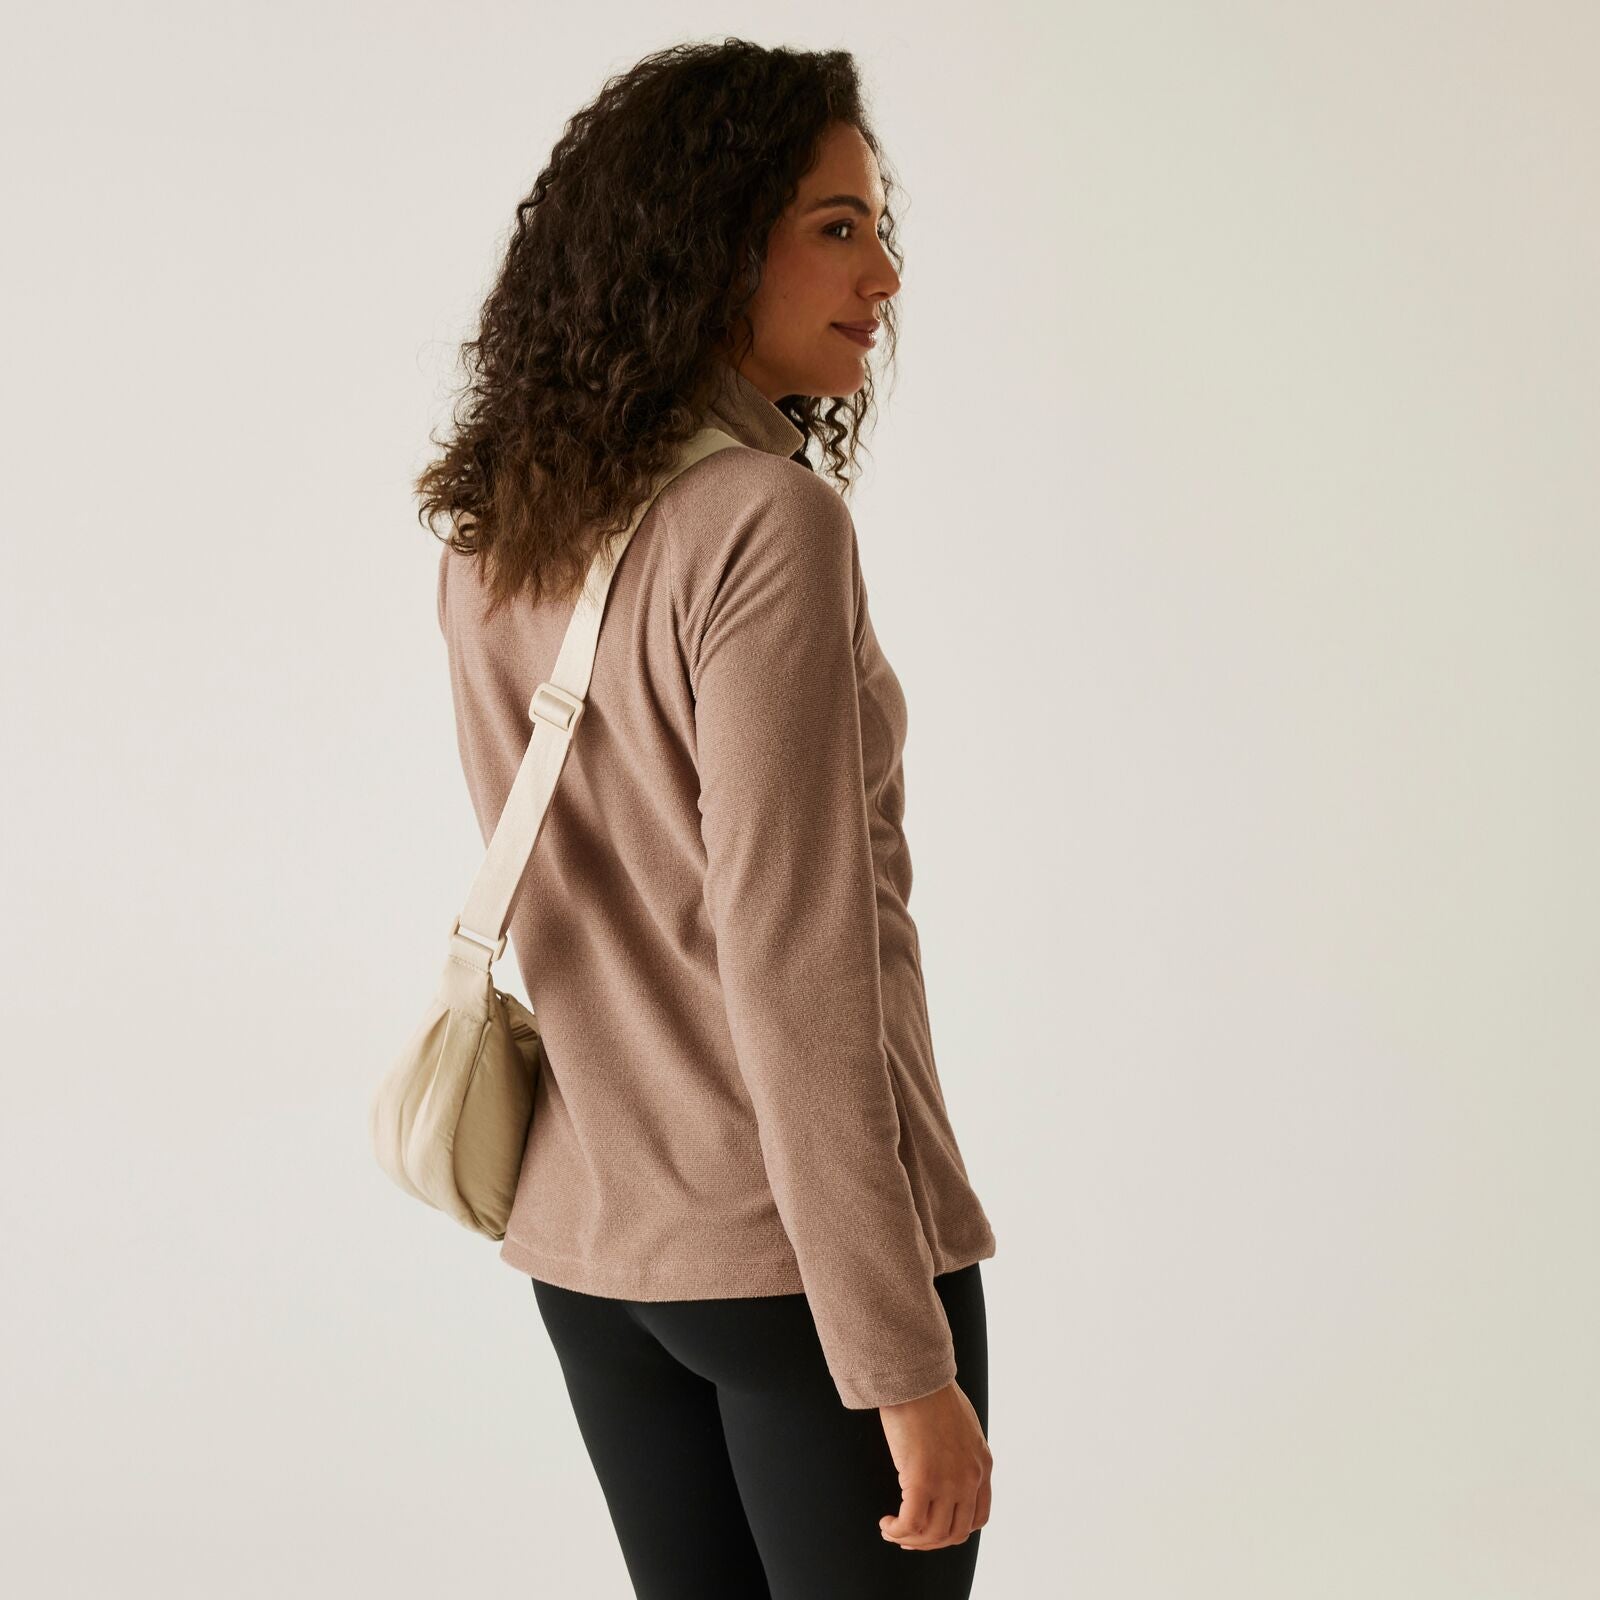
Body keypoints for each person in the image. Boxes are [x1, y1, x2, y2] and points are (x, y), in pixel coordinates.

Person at [420, 37, 998, 1600]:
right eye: (835, 226)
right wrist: (901, 1362)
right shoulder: (763, 523)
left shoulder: (498, 527)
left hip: (597, 1249)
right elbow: (796, 966)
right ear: (706, 242)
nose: (883, 275)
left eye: (882, 227)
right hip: (799, 1268)